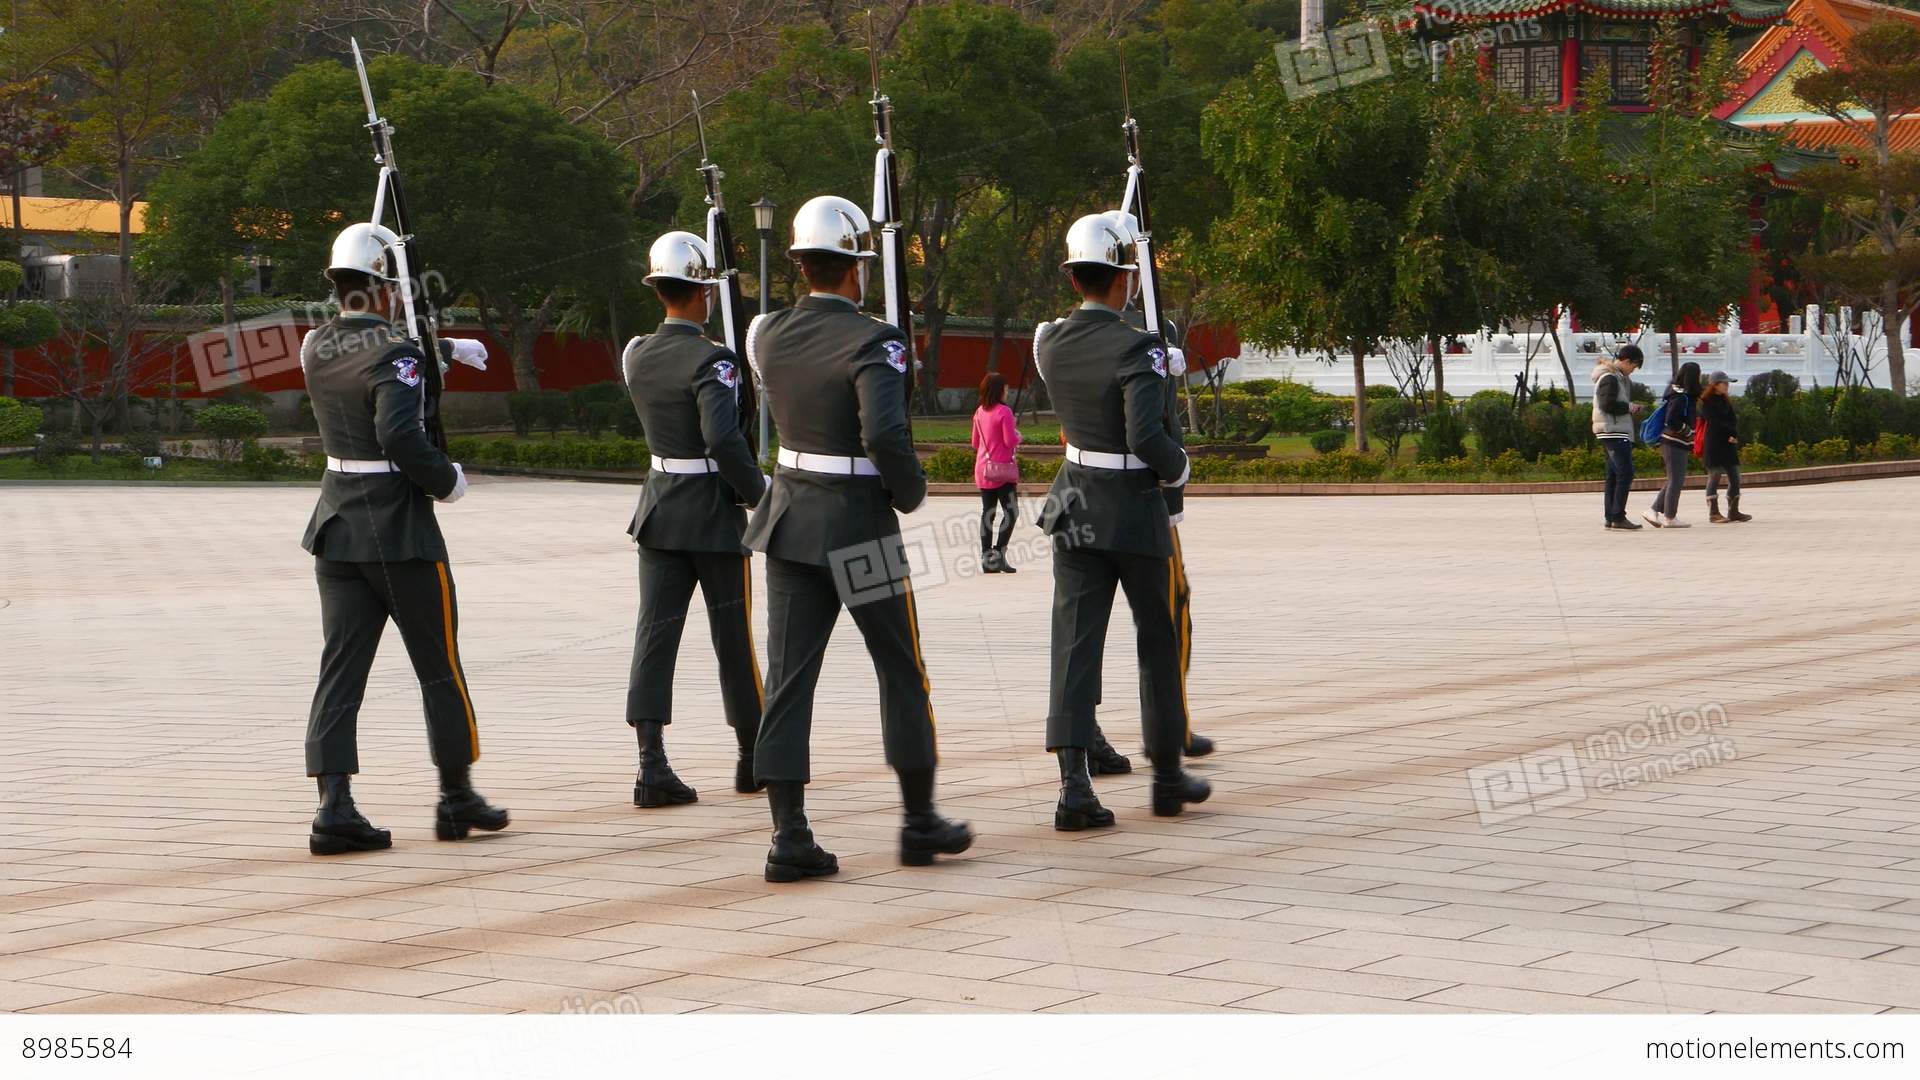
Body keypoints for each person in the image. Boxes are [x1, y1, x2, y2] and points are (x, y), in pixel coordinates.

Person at [742, 195, 973, 882]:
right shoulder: (878, 341)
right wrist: (909, 491)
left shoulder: (768, 334)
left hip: (788, 521)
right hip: (858, 527)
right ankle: (918, 820)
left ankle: (790, 835)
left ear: (802, 264)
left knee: (788, 679)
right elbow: (884, 434)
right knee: (900, 669)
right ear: (856, 270)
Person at [300, 221, 508, 855]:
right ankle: (456, 796)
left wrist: (439, 350)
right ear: (388, 288)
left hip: (337, 526)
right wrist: (447, 481)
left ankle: (334, 804)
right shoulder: (399, 352)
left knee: (341, 670)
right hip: (399, 529)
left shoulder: (314, 344)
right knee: (439, 666)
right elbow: (398, 430)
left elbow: (366, 356)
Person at [1034, 211, 1209, 830]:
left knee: (1075, 643)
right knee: (1157, 642)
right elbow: (1145, 435)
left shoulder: (1049, 340)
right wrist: (1179, 468)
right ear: (1120, 278)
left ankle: (1073, 786)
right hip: (1132, 507)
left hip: (1076, 501)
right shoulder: (1139, 346)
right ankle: (1165, 777)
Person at [619, 230, 769, 808]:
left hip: (659, 509)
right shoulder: (714, 361)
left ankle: (651, 764)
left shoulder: (637, 354)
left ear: (660, 290)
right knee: (732, 638)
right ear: (703, 294)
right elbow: (723, 442)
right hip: (712, 513)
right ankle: (752, 757)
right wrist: (758, 494)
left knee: (654, 636)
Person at [970, 372, 1021, 574]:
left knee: (987, 513)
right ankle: (999, 553)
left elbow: (975, 443)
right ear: (999, 390)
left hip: (983, 469)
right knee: (1011, 512)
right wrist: (1018, 436)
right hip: (1002, 472)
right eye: (1006, 389)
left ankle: (986, 557)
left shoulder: (979, 412)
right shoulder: (1005, 412)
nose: (1007, 392)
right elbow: (1010, 441)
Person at [1592, 344, 1645, 531]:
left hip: (1612, 430)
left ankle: (1611, 517)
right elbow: (1606, 404)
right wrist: (1630, 407)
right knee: (1625, 473)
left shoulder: (1617, 378)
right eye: (1633, 366)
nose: (1632, 371)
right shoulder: (1610, 378)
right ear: (1626, 361)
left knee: (1614, 475)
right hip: (1613, 430)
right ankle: (1618, 516)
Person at [1644, 361, 1702, 529]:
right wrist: (1687, 431)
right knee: (1676, 480)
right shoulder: (1679, 395)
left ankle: (1653, 511)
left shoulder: (1681, 393)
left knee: (1674, 479)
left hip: (1677, 442)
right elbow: (1671, 419)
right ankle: (1669, 517)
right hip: (1673, 441)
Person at [1699, 370, 1752, 523]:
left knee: (1735, 476)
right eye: (1725, 383)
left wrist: (1734, 434)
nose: (1727, 386)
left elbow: (1732, 420)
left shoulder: (1725, 400)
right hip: (1714, 444)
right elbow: (1713, 422)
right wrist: (1729, 431)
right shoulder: (1706, 401)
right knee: (1714, 476)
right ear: (1715, 385)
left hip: (1728, 443)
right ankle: (1713, 513)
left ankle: (1733, 511)